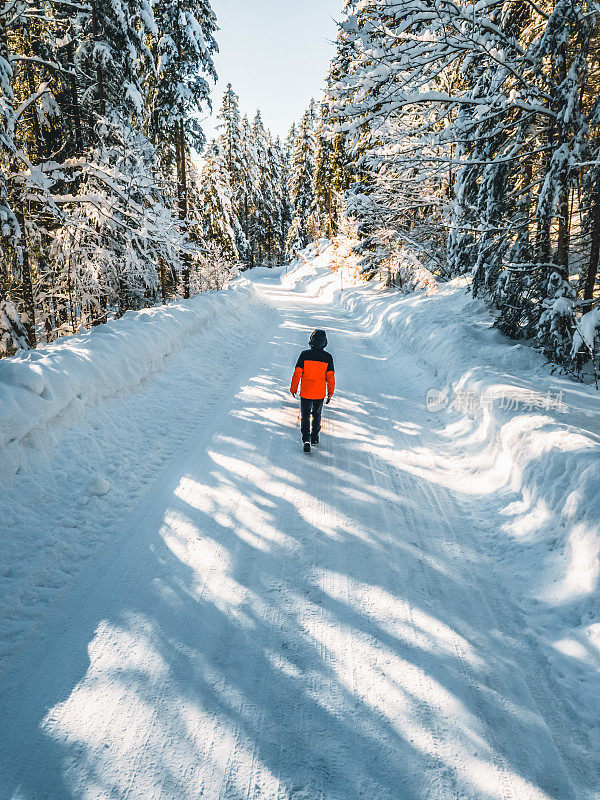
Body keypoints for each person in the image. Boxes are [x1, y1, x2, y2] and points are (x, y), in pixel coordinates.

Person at [290, 329, 335, 452]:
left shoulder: (304, 355)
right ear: (325, 342)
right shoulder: (328, 357)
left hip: (306, 392)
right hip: (319, 393)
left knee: (305, 415)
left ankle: (306, 439)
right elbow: (330, 377)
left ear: (311, 341)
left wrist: (293, 388)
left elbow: (297, 373)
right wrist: (330, 392)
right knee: (316, 414)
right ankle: (314, 436)